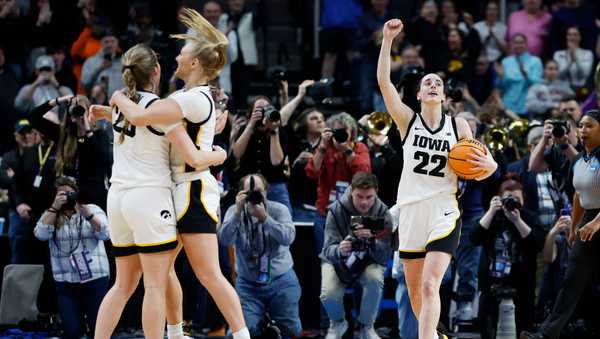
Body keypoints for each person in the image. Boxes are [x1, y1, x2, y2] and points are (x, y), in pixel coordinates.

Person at [107, 9, 251, 339]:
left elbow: (141, 116)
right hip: (176, 190)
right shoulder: (184, 97)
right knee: (163, 271)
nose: (176, 56)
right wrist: (107, 113)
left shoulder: (194, 98)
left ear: (196, 64)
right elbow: (150, 121)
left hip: (194, 191)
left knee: (209, 274)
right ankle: (174, 332)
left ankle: (241, 334)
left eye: (182, 53)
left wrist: (115, 97)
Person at [91, 43, 227, 339]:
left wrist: (106, 108)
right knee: (155, 283)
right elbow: (191, 152)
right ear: (156, 71)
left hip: (117, 199)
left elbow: (129, 118)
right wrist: (217, 149)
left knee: (122, 285)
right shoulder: (161, 109)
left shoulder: (122, 107)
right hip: (149, 198)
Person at [377, 19, 498, 339]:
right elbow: (384, 83)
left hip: (444, 210)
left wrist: (490, 163)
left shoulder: (459, 126)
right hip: (411, 212)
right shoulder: (407, 121)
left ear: (443, 95)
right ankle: (438, 336)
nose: (432, 85)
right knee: (417, 294)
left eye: (438, 83)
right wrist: (388, 40)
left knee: (431, 286)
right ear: (418, 94)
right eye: (427, 82)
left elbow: (481, 168)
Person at [521, 109, 600, 339]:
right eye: (581, 126)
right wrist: (575, 227)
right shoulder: (580, 160)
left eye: (590, 126)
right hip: (588, 218)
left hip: (597, 219)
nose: (583, 130)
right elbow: (578, 195)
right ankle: (547, 334)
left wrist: (596, 222)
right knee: (572, 278)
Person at [219, 174, 302, 338]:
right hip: (248, 285)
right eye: (249, 192)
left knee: (291, 330)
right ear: (240, 193)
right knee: (239, 333)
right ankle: (261, 324)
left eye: (258, 191)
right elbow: (224, 239)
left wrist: (265, 218)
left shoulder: (279, 209)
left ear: (266, 191)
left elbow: (288, 238)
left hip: (281, 280)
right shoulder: (233, 211)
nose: (254, 196)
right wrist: (237, 213)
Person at [33, 176, 109, 339]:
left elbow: (105, 234)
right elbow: (40, 234)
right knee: (72, 331)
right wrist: (54, 208)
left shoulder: (92, 209)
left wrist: (87, 215)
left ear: (77, 193)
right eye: (61, 194)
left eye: (69, 193)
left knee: (99, 330)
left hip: (95, 278)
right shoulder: (51, 214)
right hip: (66, 282)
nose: (66, 197)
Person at [470, 175, 546, 337]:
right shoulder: (492, 218)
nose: (512, 203)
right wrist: (491, 212)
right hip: (491, 284)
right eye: (507, 199)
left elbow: (538, 243)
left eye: (516, 199)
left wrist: (517, 221)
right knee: (488, 328)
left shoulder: (529, 218)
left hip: (522, 285)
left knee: (523, 329)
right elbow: (474, 238)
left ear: (523, 199)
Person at [320, 172, 392, 339]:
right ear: (351, 190)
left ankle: (365, 326)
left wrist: (373, 242)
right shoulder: (336, 209)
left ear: (377, 192)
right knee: (328, 292)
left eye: (369, 197)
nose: (364, 202)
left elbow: (385, 254)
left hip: (369, 260)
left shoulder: (383, 213)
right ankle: (338, 323)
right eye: (359, 196)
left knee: (375, 279)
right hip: (338, 261)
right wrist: (339, 249)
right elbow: (326, 250)